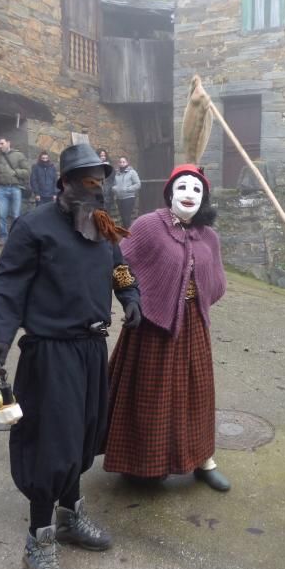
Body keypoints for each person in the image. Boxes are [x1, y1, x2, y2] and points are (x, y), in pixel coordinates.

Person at [0, 143, 142, 569]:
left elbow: (121, 269)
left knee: (84, 435)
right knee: (51, 446)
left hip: (92, 348)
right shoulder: (35, 226)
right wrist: (0, 335)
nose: (94, 187)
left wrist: (131, 298)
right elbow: (8, 283)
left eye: (99, 180)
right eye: (85, 180)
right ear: (65, 184)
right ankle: (39, 539)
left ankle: (71, 514)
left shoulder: (102, 227)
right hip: (49, 353)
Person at [104, 164, 230, 491]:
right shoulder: (149, 226)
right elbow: (119, 263)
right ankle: (143, 464)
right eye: (183, 187)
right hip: (150, 324)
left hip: (193, 324)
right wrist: (132, 300)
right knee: (150, 395)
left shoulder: (209, 237)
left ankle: (203, 461)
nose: (189, 194)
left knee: (197, 395)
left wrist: (195, 295)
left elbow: (217, 281)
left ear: (203, 199)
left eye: (196, 190)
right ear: (170, 192)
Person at [0, 136, 30, 244]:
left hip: (15, 188)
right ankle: (3, 238)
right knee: (2, 215)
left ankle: (15, 238)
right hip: (1, 189)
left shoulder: (19, 155)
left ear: (8, 143)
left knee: (16, 215)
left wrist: (16, 172)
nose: (0, 146)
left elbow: (28, 171)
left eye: (2, 143)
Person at [111, 155, 140, 228]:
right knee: (122, 217)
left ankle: (129, 234)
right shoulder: (117, 173)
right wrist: (115, 189)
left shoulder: (132, 172)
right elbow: (113, 184)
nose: (122, 163)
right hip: (119, 198)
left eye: (124, 162)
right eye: (120, 162)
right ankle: (126, 233)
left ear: (127, 163)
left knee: (126, 217)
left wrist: (127, 189)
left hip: (129, 198)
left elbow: (138, 184)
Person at [97, 148, 115, 215]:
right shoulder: (95, 165)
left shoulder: (110, 165)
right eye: (101, 156)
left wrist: (107, 167)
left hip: (108, 191)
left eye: (104, 155)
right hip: (99, 191)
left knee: (107, 211)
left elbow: (112, 177)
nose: (103, 157)